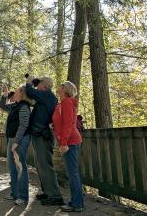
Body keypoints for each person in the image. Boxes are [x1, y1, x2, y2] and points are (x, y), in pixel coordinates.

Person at [25, 76, 64, 206]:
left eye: (39, 84)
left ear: (45, 86)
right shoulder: (45, 97)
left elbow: (30, 92)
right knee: (40, 165)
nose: (36, 86)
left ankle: (55, 196)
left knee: (46, 165)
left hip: (43, 136)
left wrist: (29, 82)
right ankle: (47, 192)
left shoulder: (47, 95)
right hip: (39, 134)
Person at [52, 81, 84, 212]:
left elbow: (69, 124)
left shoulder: (67, 102)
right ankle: (76, 202)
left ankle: (77, 204)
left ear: (65, 89)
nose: (58, 87)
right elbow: (61, 122)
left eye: (61, 85)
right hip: (67, 140)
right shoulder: (62, 103)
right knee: (72, 173)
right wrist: (53, 126)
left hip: (70, 140)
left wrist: (64, 142)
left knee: (73, 173)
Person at [1, 85, 34, 206]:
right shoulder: (15, 105)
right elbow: (3, 106)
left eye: (16, 91)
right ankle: (15, 193)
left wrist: (16, 141)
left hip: (20, 139)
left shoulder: (24, 106)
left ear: (22, 93)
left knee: (20, 167)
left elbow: (24, 125)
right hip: (12, 139)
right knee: (12, 167)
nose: (14, 92)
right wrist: (5, 94)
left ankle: (23, 196)